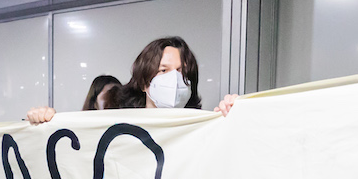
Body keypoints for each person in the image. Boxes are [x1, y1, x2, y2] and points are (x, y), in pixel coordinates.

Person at [26, 37, 235, 124]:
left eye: (182, 72)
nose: (175, 78)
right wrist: (45, 124)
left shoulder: (202, 128)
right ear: (145, 82)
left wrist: (234, 118)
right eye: (164, 70)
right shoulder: (116, 125)